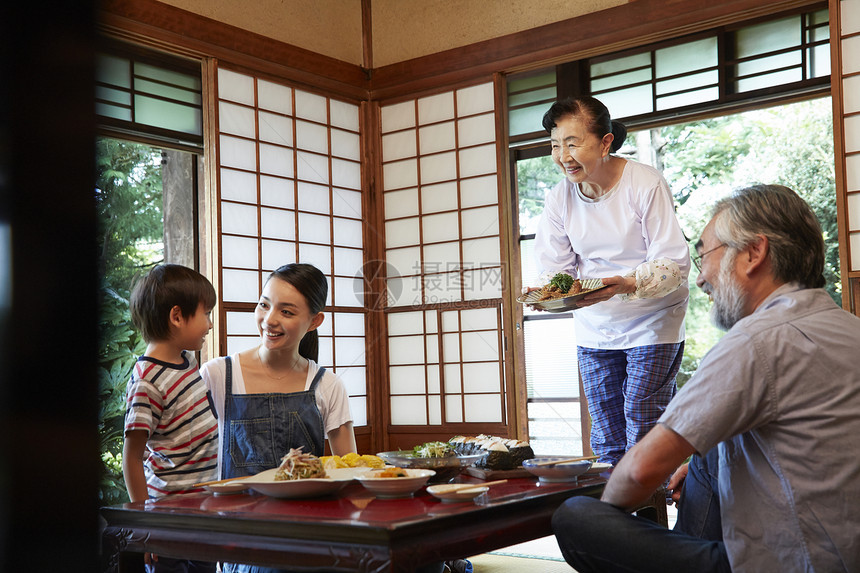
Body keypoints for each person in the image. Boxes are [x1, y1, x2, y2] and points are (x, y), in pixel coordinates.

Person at [552, 184, 860, 572]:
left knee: (576, 516)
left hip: (790, 560)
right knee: (707, 454)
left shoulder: (755, 341)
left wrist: (610, 526)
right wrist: (701, 465)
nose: (701, 280)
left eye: (705, 257)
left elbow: (639, 471)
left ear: (753, 253)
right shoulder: (849, 328)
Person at [530, 96, 690, 466]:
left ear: (605, 142)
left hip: (653, 319)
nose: (562, 155)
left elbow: (674, 263)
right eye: (555, 145)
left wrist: (626, 284)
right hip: (595, 324)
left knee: (643, 419)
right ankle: (615, 520)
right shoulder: (559, 198)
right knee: (606, 434)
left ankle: (657, 516)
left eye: (572, 143)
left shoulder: (643, 182)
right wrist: (547, 292)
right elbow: (556, 268)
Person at [201, 263, 357, 573]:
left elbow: (349, 470)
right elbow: (194, 459)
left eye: (286, 312)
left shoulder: (327, 385)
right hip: (239, 542)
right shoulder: (219, 375)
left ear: (315, 321)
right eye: (264, 304)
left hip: (309, 540)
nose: (269, 320)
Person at [122, 264, 219, 573]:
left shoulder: (187, 361)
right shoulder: (147, 382)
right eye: (206, 314)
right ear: (177, 316)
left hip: (202, 514)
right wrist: (146, 525)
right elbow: (132, 457)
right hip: (169, 520)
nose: (210, 324)